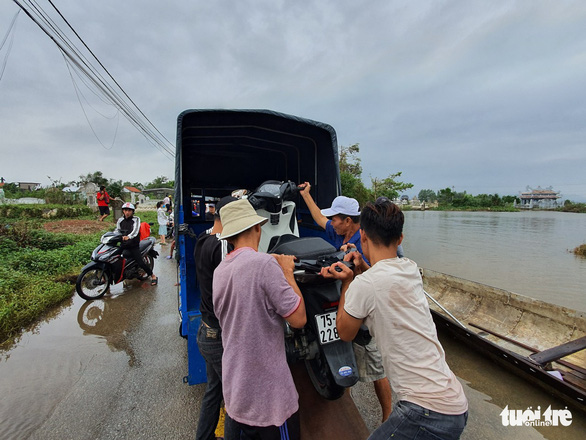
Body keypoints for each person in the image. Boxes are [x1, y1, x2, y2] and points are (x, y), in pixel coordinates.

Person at [321, 198, 468, 440]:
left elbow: (345, 332)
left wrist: (349, 282)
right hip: (453, 403)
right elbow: (384, 281)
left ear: (364, 237)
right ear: (400, 239)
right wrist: (361, 270)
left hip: (426, 413)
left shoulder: (365, 284)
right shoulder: (410, 269)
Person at [299, 182, 393, 422]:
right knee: (343, 352)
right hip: (344, 303)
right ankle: (344, 403)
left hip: (364, 312)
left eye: (336, 219)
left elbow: (377, 282)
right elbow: (320, 218)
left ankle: (388, 415)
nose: (331, 222)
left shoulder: (368, 244)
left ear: (348, 220)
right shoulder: (338, 231)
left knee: (376, 364)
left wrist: (357, 264)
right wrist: (306, 195)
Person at [213, 199, 306, 440]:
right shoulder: (264, 264)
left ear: (230, 236)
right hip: (269, 400)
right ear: (257, 228)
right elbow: (298, 319)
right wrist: (287, 273)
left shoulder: (220, 270)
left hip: (236, 390)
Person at [194, 196, 237, 440]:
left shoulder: (203, 237)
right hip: (219, 334)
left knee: (214, 389)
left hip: (206, 329)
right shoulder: (222, 244)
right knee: (234, 397)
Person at [115, 202, 158, 286]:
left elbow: (135, 231)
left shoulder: (136, 219)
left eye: (129, 211)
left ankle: (153, 276)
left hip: (133, 245)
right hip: (124, 244)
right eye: (125, 210)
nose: (127, 212)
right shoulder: (120, 220)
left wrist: (129, 236)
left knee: (140, 263)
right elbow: (117, 230)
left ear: (132, 211)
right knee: (113, 257)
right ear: (123, 211)